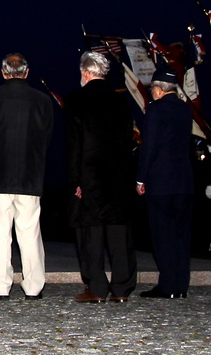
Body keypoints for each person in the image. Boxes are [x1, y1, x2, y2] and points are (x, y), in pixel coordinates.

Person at [0, 52, 54, 301]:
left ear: (3, 72)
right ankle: (33, 287)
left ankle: (0, 287)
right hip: (30, 175)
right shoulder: (42, 100)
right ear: (26, 72)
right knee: (30, 233)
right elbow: (46, 137)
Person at [63, 51, 137, 303]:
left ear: (85, 72)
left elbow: (74, 144)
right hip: (120, 175)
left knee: (91, 233)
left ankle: (96, 286)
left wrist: (75, 181)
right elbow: (130, 140)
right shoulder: (122, 102)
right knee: (119, 232)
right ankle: (122, 287)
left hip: (90, 175)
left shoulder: (75, 100)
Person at [136, 67, 194, 298]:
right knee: (181, 234)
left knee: (163, 234)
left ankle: (167, 285)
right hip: (184, 180)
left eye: (152, 89)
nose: (151, 93)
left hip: (161, 181)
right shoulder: (185, 110)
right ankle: (181, 285)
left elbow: (149, 146)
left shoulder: (156, 109)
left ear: (159, 89)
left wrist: (141, 177)